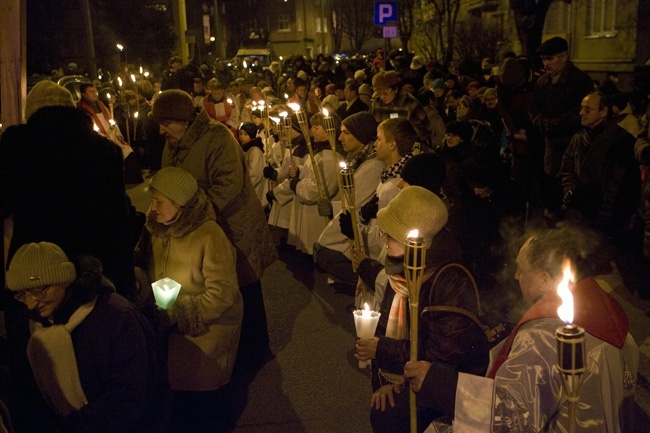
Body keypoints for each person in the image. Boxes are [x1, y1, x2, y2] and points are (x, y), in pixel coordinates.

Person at [409, 224, 639, 433]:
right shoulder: (603, 305)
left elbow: (514, 414)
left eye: (521, 269)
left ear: (544, 279)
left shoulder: (544, 335)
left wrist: (439, 384)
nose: (517, 276)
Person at [151, 89, 277, 371]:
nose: (161, 130)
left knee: (246, 286)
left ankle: (255, 351)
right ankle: (227, 349)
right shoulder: (173, 143)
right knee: (215, 287)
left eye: (166, 122)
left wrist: (192, 214)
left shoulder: (217, 137)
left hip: (234, 226)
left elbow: (229, 184)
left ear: (183, 120)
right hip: (202, 229)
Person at [354, 186, 488, 433]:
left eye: (390, 235)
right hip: (410, 368)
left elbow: (442, 358)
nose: (383, 240)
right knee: (384, 407)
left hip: (450, 382)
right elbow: (385, 328)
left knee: (388, 417)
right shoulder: (401, 269)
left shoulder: (450, 281)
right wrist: (386, 380)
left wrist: (384, 354)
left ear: (417, 242)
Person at [0, 80, 136, 305]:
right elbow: (117, 218)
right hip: (94, 264)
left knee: (40, 335)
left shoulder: (17, 147)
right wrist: (124, 281)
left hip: (36, 270)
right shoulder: (104, 151)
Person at [6, 242, 166, 433]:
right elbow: (24, 392)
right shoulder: (28, 325)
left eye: (39, 291)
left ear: (64, 280)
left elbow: (131, 395)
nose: (31, 304)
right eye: (23, 295)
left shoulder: (116, 317)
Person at [139, 167, 243, 433]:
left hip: (207, 329)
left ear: (180, 204)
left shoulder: (210, 235)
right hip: (170, 327)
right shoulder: (157, 231)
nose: (153, 208)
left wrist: (180, 312)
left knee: (201, 402)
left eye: (159, 202)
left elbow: (224, 293)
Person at [315, 112, 384, 288]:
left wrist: (324, 240)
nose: (340, 138)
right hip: (355, 227)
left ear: (360, 135)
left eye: (346, 133)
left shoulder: (372, 166)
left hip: (364, 231)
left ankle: (367, 285)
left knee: (326, 256)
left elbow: (354, 205)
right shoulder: (358, 161)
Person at [559, 91, 640, 238]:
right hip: (579, 211)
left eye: (588, 109)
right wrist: (570, 191)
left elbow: (618, 184)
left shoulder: (619, 141)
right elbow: (567, 167)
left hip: (602, 219)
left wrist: (605, 217)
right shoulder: (579, 138)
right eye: (582, 108)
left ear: (603, 112)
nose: (581, 113)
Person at [529, 37, 594, 216]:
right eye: (543, 59)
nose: (546, 63)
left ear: (564, 57)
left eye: (550, 58)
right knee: (550, 182)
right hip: (549, 143)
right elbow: (533, 109)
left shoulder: (580, 80)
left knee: (568, 183)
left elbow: (580, 113)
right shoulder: (542, 81)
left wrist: (553, 124)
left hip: (570, 142)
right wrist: (542, 122)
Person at [286, 112, 342, 255]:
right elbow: (311, 174)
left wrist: (296, 184)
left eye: (316, 127)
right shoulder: (319, 153)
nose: (311, 131)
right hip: (308, 213)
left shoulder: (329, 159)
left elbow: (318, 191)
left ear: (328, 129)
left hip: (316, 217)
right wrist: (298, 172)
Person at [370, 71, 432, 150]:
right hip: (383, 148)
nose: (382, 97)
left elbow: (425, 130)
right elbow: (371, 126)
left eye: (386, 93)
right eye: (379, 93)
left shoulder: (410, 104)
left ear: (395, 89)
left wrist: (402, 137)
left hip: (408, 149)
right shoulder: (377, 103)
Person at [239, 122, 269, 207]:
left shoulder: (255, 151)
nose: (242, 137)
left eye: (245, 134)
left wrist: (244, 187)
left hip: (256, 190)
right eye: (241, 134)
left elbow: (255, 174)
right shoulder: (248, 150)